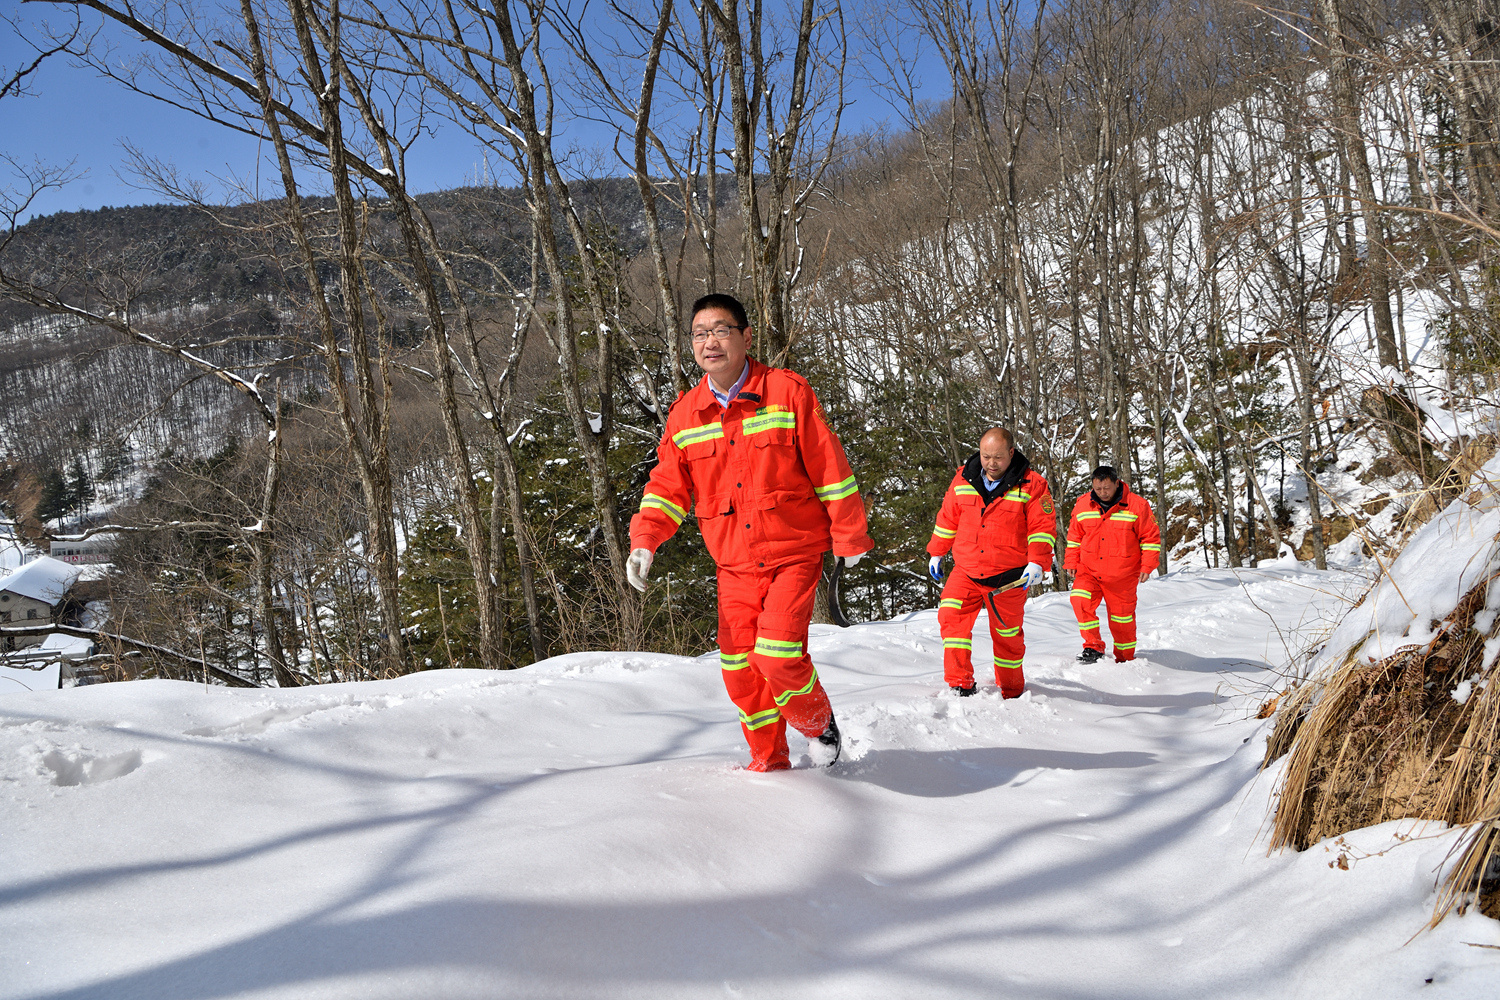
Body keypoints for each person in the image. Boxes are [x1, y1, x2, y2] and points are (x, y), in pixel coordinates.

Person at [626, 293, 873, 771]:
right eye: (699, 334)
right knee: (740, 671)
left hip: (793, 553)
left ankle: (818, 727)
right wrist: (644, 540)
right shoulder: (685, 415)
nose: (709, 341)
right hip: (734, 565)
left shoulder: (786, 392)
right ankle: (768, 765)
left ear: (745, 336)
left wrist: (849, 535)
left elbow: (830, 467)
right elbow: (666, 488)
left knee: (777, 656)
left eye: (720, 330)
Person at [925, 428, 1056, 697]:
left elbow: (1042, 528)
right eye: (985, 456)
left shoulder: (1033, 485)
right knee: (951, 619)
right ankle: (959, 683)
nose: (991, 463)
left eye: (997, 457)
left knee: (1007, 637)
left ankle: (1011, 691)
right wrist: (937, 552)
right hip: (967, 572)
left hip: (1009, 577)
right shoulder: (963, 478)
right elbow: (948, 519)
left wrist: (1037, 562)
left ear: (1011, 453)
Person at [1063, 465, 1162, 663]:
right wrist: (1071, 561)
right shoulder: (1083, 505)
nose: (1102, 493)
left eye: (1107, 488)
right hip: (1089, 571)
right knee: (1080, 600)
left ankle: (1124, 658)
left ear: (1117, 483)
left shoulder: (1137, 505)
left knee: (1122, 620)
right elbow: (1074, 537)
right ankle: (1093, 646)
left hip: (1122, 574)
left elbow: (1150, 538)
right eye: (1098, 489)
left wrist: (1147, 566)